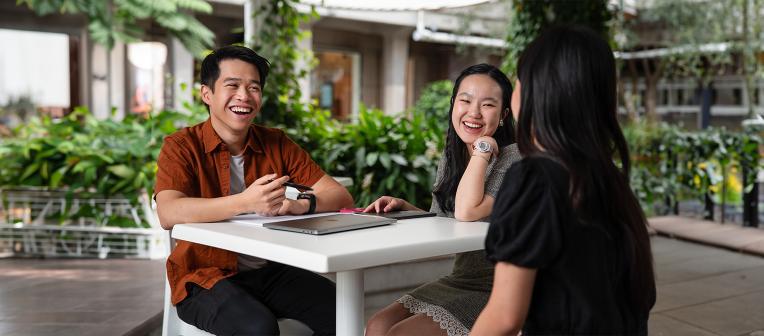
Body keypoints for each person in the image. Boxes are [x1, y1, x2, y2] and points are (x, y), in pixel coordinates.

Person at [154, 45, 354, 335]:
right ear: (206, 94)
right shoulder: (181, 146)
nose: (244, 96)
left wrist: (301, 205)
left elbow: (340, 196)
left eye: (254, 87)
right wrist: (245, 201)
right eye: (232, 85)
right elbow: (168, 212)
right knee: (258, 327)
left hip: (269, 271)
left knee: (342, 312)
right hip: (203, 277)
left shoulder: (276, 143)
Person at [472, 25, 656, 335]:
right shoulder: (607, 179)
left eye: (519, 80)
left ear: (537, 91)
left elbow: (503, 318)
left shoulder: (534, 178)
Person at [364, 64, 521, 336]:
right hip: (462, 278)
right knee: (377, 326)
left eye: (487, 105)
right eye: (466, 100)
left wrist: (483, 150)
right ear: (453, 105)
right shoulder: (453, 156)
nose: (473, 112)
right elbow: (446, 221)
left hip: (499, 285)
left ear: (504, 114)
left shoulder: (514, 157)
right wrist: (408, 209)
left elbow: (468, 211)